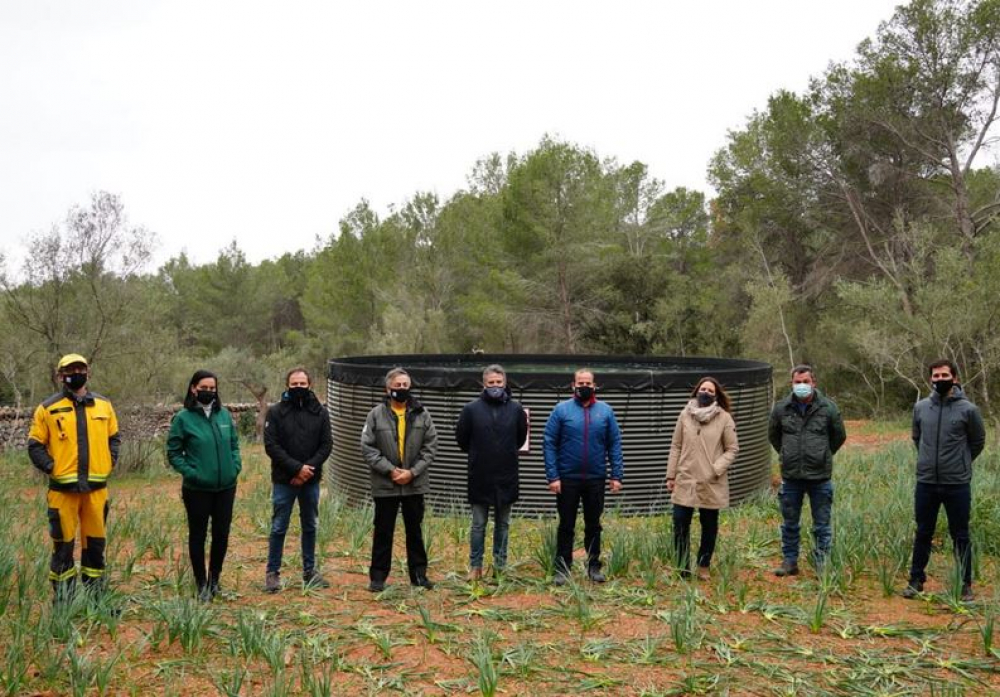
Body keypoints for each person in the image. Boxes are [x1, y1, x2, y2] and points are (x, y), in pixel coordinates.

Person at [28, 354, 120, 602]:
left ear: (88, 372)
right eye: (70, 370)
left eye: (81, 368)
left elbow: (114, 438)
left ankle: (96, 601)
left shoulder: (104, 405)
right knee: (63, 550)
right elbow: (35, 445)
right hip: (62, 494)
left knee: (96, 548)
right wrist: (51, 467)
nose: (76, 373)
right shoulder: (47, 408)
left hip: (96, 492)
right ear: (60, 376)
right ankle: (64, 604)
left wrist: (109, 462)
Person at [902, 359, 985, 601]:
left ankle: (965, 584)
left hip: (956, 483)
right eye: (936, 376)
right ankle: (916, 580)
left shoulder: (968, 410)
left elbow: (977, 441)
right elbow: (917, 437)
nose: (940, 379)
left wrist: (961, 462)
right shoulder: (921, 407)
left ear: (955, 378)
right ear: (930, 379)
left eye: (944, 375)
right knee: (923, 532)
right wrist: (928, 460)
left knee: (960, 534)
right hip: (926, 481)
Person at [543, 368, 624, 585]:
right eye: (581, 383)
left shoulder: (605, 411)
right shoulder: (561, 410)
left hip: (596, 478)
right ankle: (562, 569)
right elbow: (549, 442)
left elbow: (614, 443)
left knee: (594, 525)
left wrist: (617, 474)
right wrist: (553, 476)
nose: (584, 387)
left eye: (588, 383)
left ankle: (594, 567)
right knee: (566, 525)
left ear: (594, 385)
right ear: (573, 385)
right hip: (567, 478)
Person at [360, 367, 438, 592]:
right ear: (388, 388)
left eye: (405, 385)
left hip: (414, 484)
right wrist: (391, 470)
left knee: (415, 531)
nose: (401, 389)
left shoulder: (422, 414)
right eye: (397, 385)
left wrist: (412, 472)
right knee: (383, 531)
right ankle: (378, 578)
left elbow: (430, 447)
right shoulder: (375, 414)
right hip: (386, 485)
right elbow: (367, 447)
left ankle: (419, 576)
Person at [167, 370, 242, 601]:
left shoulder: (224, 416)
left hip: (226, 487)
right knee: (198, 536)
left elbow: (234, 445)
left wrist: (235, 465)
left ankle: (214, 580)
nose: (208, 391)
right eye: (204, 387)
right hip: (197, 489)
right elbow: (173, 452)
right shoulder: (183, 418)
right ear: (193, 388)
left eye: (212, 388)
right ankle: (201, 584)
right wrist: (192, 473)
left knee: (221, 534)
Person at [768, 364, 846, 577]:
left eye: (805, 382)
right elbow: (774, 436)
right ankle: (790, 561)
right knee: (790, 523)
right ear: (792, 383)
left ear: (814, 383)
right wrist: (786, 454)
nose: (801, 385)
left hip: (819, 477)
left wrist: (822, 454)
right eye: (797, 382)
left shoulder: (828, 408)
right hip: (791, 476)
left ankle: (822, 564)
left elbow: (838, 437)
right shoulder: (781, 409)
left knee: (822, 525)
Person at [263, 367, 333, 593]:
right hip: (284, 480)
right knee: (278, 526)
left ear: (310, 385)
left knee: (310, 525)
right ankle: (272, 573)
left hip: (310, 481)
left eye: (302, 384)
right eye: (294, 384)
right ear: (287, 386)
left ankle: (309, 571)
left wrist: (307, 471)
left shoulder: (321, 412)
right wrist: (296, 470)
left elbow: (326, 445)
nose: (299, 388)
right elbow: (271, 446)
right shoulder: (275, 412)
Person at [456, 364, 528, 581]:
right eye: (491, 383)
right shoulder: (471, 409)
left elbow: (521, 438)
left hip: (506, 475)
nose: (495, 386)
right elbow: (462, 440)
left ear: (505, 383)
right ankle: (475, 567)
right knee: (478, 524)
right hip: (480, 475)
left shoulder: (516, 410)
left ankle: (500, 566)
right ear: (483, 384)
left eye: (499, 383)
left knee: (503, 524)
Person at [666, 377, 739, 581]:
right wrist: (671, 475)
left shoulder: (724, 418)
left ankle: (703, 564)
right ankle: (682, 566)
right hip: (685, 478)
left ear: (716, 395)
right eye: (702, 389)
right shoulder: (685, 415)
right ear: (696, 391)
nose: (705, 392)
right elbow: (676, 446)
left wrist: (715, 468)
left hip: (710, 480)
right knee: (680, 523)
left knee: (709, 524)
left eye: (710, 390)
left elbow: (732, 449)